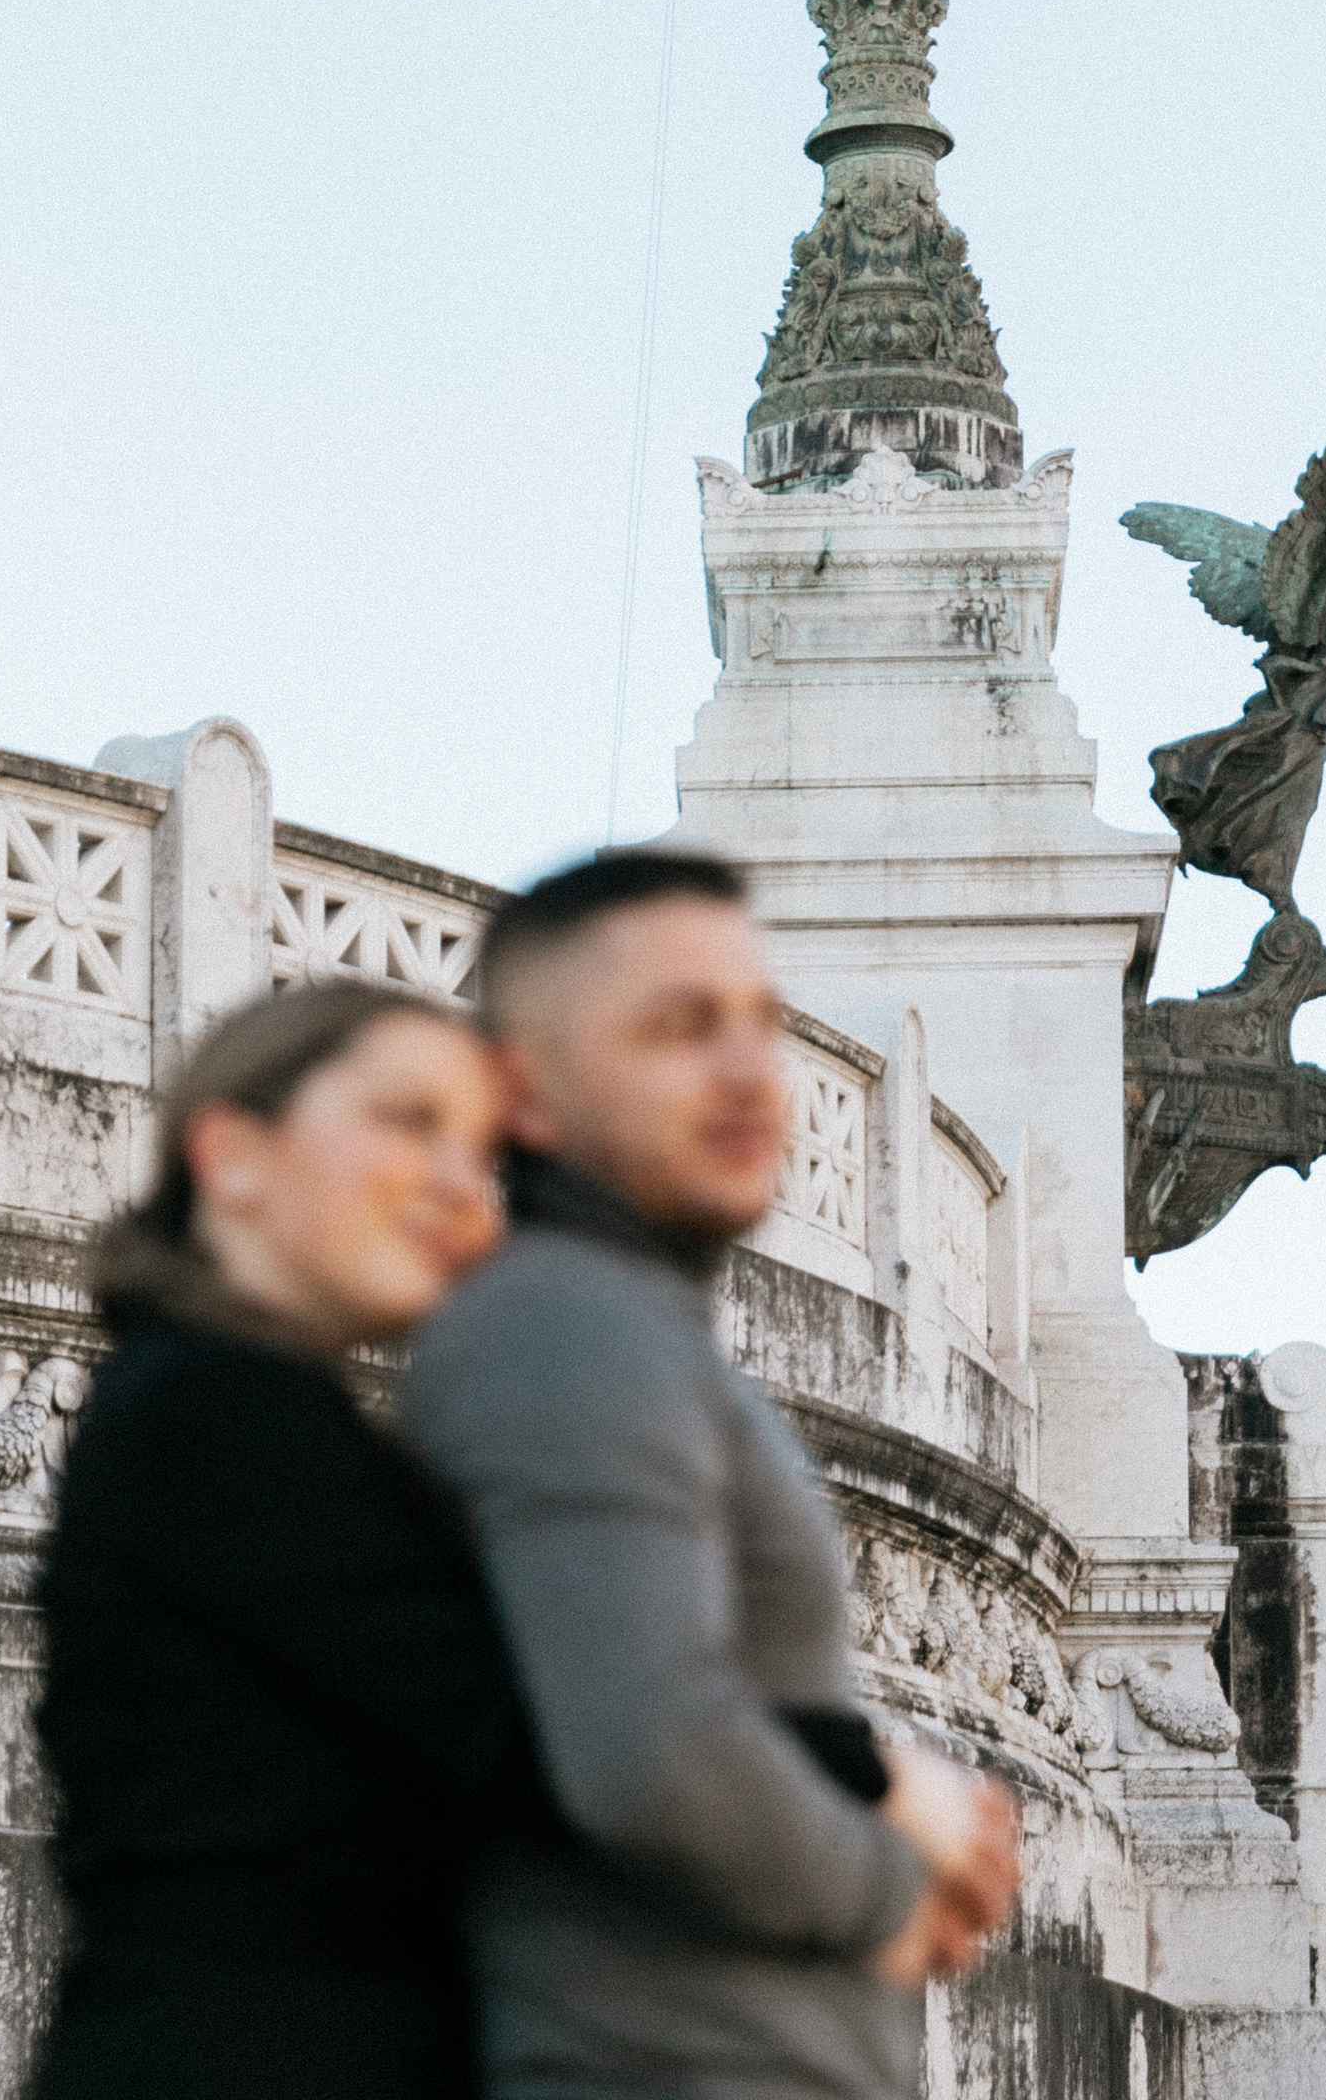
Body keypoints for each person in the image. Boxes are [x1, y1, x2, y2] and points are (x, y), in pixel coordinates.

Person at [404, 849, 1023, 2100]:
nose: (751, 1070)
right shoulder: (563, 1327)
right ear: (522, 1092)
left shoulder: (622, 1325)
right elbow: (650, 1751)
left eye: (757, 1018)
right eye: (678, 1027)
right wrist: (895, 1890)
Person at [30, 975, 540, 2100]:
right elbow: (529, 1739)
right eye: (411, 1123)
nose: (465, 1187)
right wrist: (868, 1792)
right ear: (235, 1155)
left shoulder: (221, 1401)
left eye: (483, 1149)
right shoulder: (215, 1409)